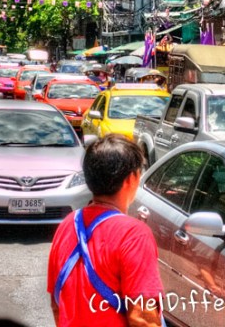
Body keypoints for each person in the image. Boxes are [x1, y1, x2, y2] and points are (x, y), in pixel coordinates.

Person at [47, 135, 163, 327]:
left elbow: (57, 303)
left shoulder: (67, 224)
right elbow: (142, 317)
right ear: (131, 178)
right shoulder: (134, 234)